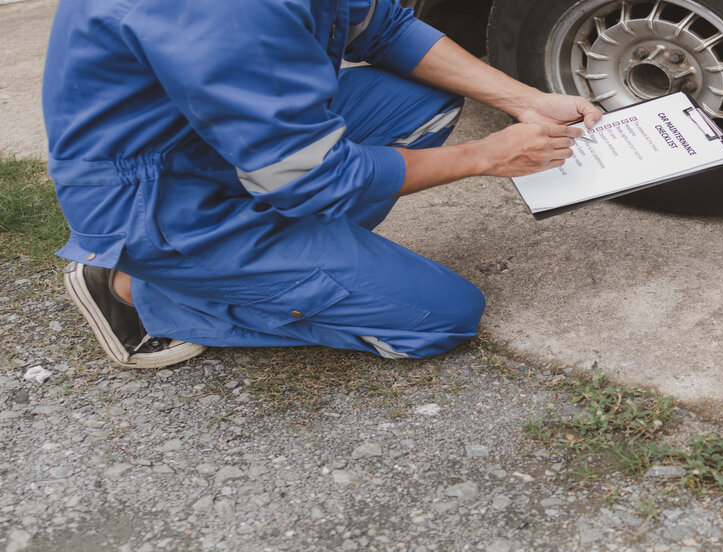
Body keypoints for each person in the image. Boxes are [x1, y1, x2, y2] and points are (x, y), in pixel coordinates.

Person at [43, 0, 601, 368]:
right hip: (160, 203)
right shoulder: (221, 13)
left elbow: (383, 27)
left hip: (217, 147)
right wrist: (485, 155)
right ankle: (140, 293)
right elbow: (315, 176)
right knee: (441, 317)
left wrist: (525, 100)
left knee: (418, 105)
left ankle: (284, 258)